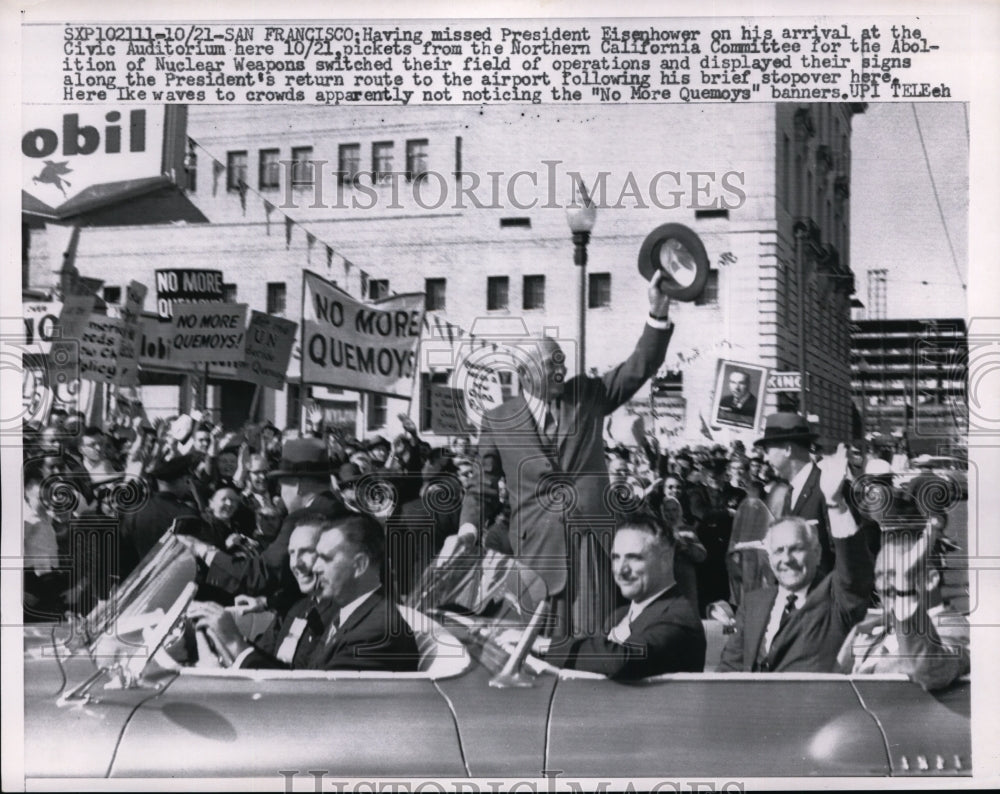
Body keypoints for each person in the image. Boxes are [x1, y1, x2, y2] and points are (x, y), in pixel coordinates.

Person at [452, 269, 674, 638]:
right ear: (525, 372)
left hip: (591, 548)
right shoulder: (497, 420)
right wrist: (468, 529)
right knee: (538, 650)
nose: (562, 368)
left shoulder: (586, 394)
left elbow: (639, 367)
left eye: (562, 361)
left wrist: (658, 314)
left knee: (591, 647)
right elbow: (481, 487)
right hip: (535, 555)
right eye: (551, 363)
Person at [718, 443, 874, 673]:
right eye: (779, 551)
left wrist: (835, 504)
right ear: (769, 557)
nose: (787, 559)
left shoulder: (835, 599)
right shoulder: (753, 604)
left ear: (817, 552)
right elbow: (729, 669)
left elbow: (856, 571)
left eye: (796, 549)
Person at [192, 514, 419, 671]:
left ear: (359, 566)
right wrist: (224, 641)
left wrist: (234, 644)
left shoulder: (377, 633)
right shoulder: (351, 614)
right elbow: (301, 677)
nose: (316, 568)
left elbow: (313, 700)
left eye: (326, 558)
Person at [521, 512, 705, 679]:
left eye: (634, 558)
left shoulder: (679, 616)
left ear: (665, 559)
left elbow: (622, 659)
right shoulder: (618, 615)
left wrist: (540, 644)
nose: (620, 570)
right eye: (616, 557)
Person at [180, 439, 349, 611]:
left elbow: (259, 576)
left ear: (297, 485)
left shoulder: (302, 518)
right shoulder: (339, 508)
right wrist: (266, 602)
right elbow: (304, 581)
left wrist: (201, 548)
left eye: (282, 485)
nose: (282, 493)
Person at [836, 500, 969, 691]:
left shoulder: (954, 631)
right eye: (879, 576)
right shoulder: (869, 629)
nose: (882, 586)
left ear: (930, 580)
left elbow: (927, 671)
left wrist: (905, 587)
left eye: (894, 575)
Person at [188, 514, 339, 669]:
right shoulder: (299, 606)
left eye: (307, 551)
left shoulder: (343, 618)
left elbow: (301, 687)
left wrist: (234, 641)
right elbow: (267, 653)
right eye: (292, 553)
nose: (296, 564)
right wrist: (218, 638)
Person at [753, 412, 835, 576]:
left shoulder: (829, 488)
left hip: (823, 595)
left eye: (768, 451)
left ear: (787, 450)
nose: (766, 459)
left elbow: (843, 552)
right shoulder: (789, 491)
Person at [118, 455, 200, 579]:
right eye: (188, 481)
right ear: (183, 479)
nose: (189, 486)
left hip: (141, 582)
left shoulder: (134, 510)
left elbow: (123, 551)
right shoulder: (186, 514)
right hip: (176, 579)